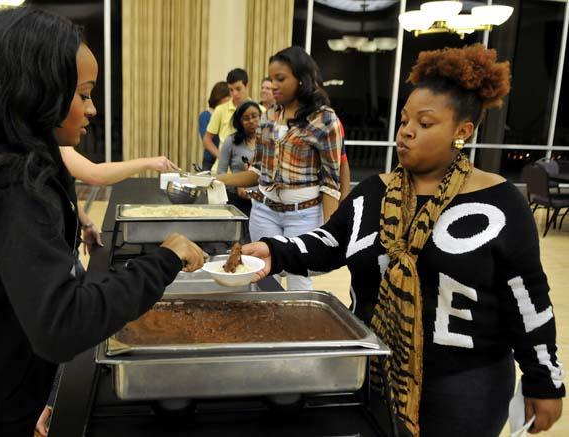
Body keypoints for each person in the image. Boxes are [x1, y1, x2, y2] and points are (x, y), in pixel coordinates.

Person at [0, 8, 205, 436]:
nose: (92, 108)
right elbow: (61, 325)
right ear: (34, 92)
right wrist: (164, 258)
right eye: (83, 94)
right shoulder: (14, 179)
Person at [242, 44, 564, 436]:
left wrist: (543, 381)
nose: (406, 132)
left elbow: (528, 300)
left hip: (465, 388)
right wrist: (276, 252)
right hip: (373, 373)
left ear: (462, 132)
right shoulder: (375, 192)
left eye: (425, 124)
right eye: (404, 120)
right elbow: (331, 241)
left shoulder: (499, 202)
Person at [217, 46, 341, 291]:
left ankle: (295, 328)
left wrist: (330, 230)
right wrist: (220, 179)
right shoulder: (269, 115)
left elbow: (331, 181)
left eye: (280, 79)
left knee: (298, 281)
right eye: (271, 78)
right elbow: (258, 171)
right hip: (264, 211)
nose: (273, 85)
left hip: (303, 215)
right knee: (258, 275)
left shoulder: (325, 120)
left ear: (302, 79)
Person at [216, 100, 262, 222]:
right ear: (240, 121)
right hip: (236, 199)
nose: (251, 121)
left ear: (260, 116)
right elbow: (221, 173)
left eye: (254, 116)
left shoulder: (268, 141)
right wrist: (237, 186)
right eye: (246, 118)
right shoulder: (231, 141)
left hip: (261, 199)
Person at [202, 68, 252, 168]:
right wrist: (221, 156)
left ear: (247, 86)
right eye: (231, 90)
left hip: (247, 171)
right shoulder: (220, 110)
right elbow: (207, 139)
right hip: (221, 170)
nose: (234, 94)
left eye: (238, 89)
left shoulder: (259, 110)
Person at [198, 81, 230, 171]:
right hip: (211, 160)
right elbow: (206, 141)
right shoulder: (206, 115)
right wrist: (221, 156)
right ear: (218, 98)